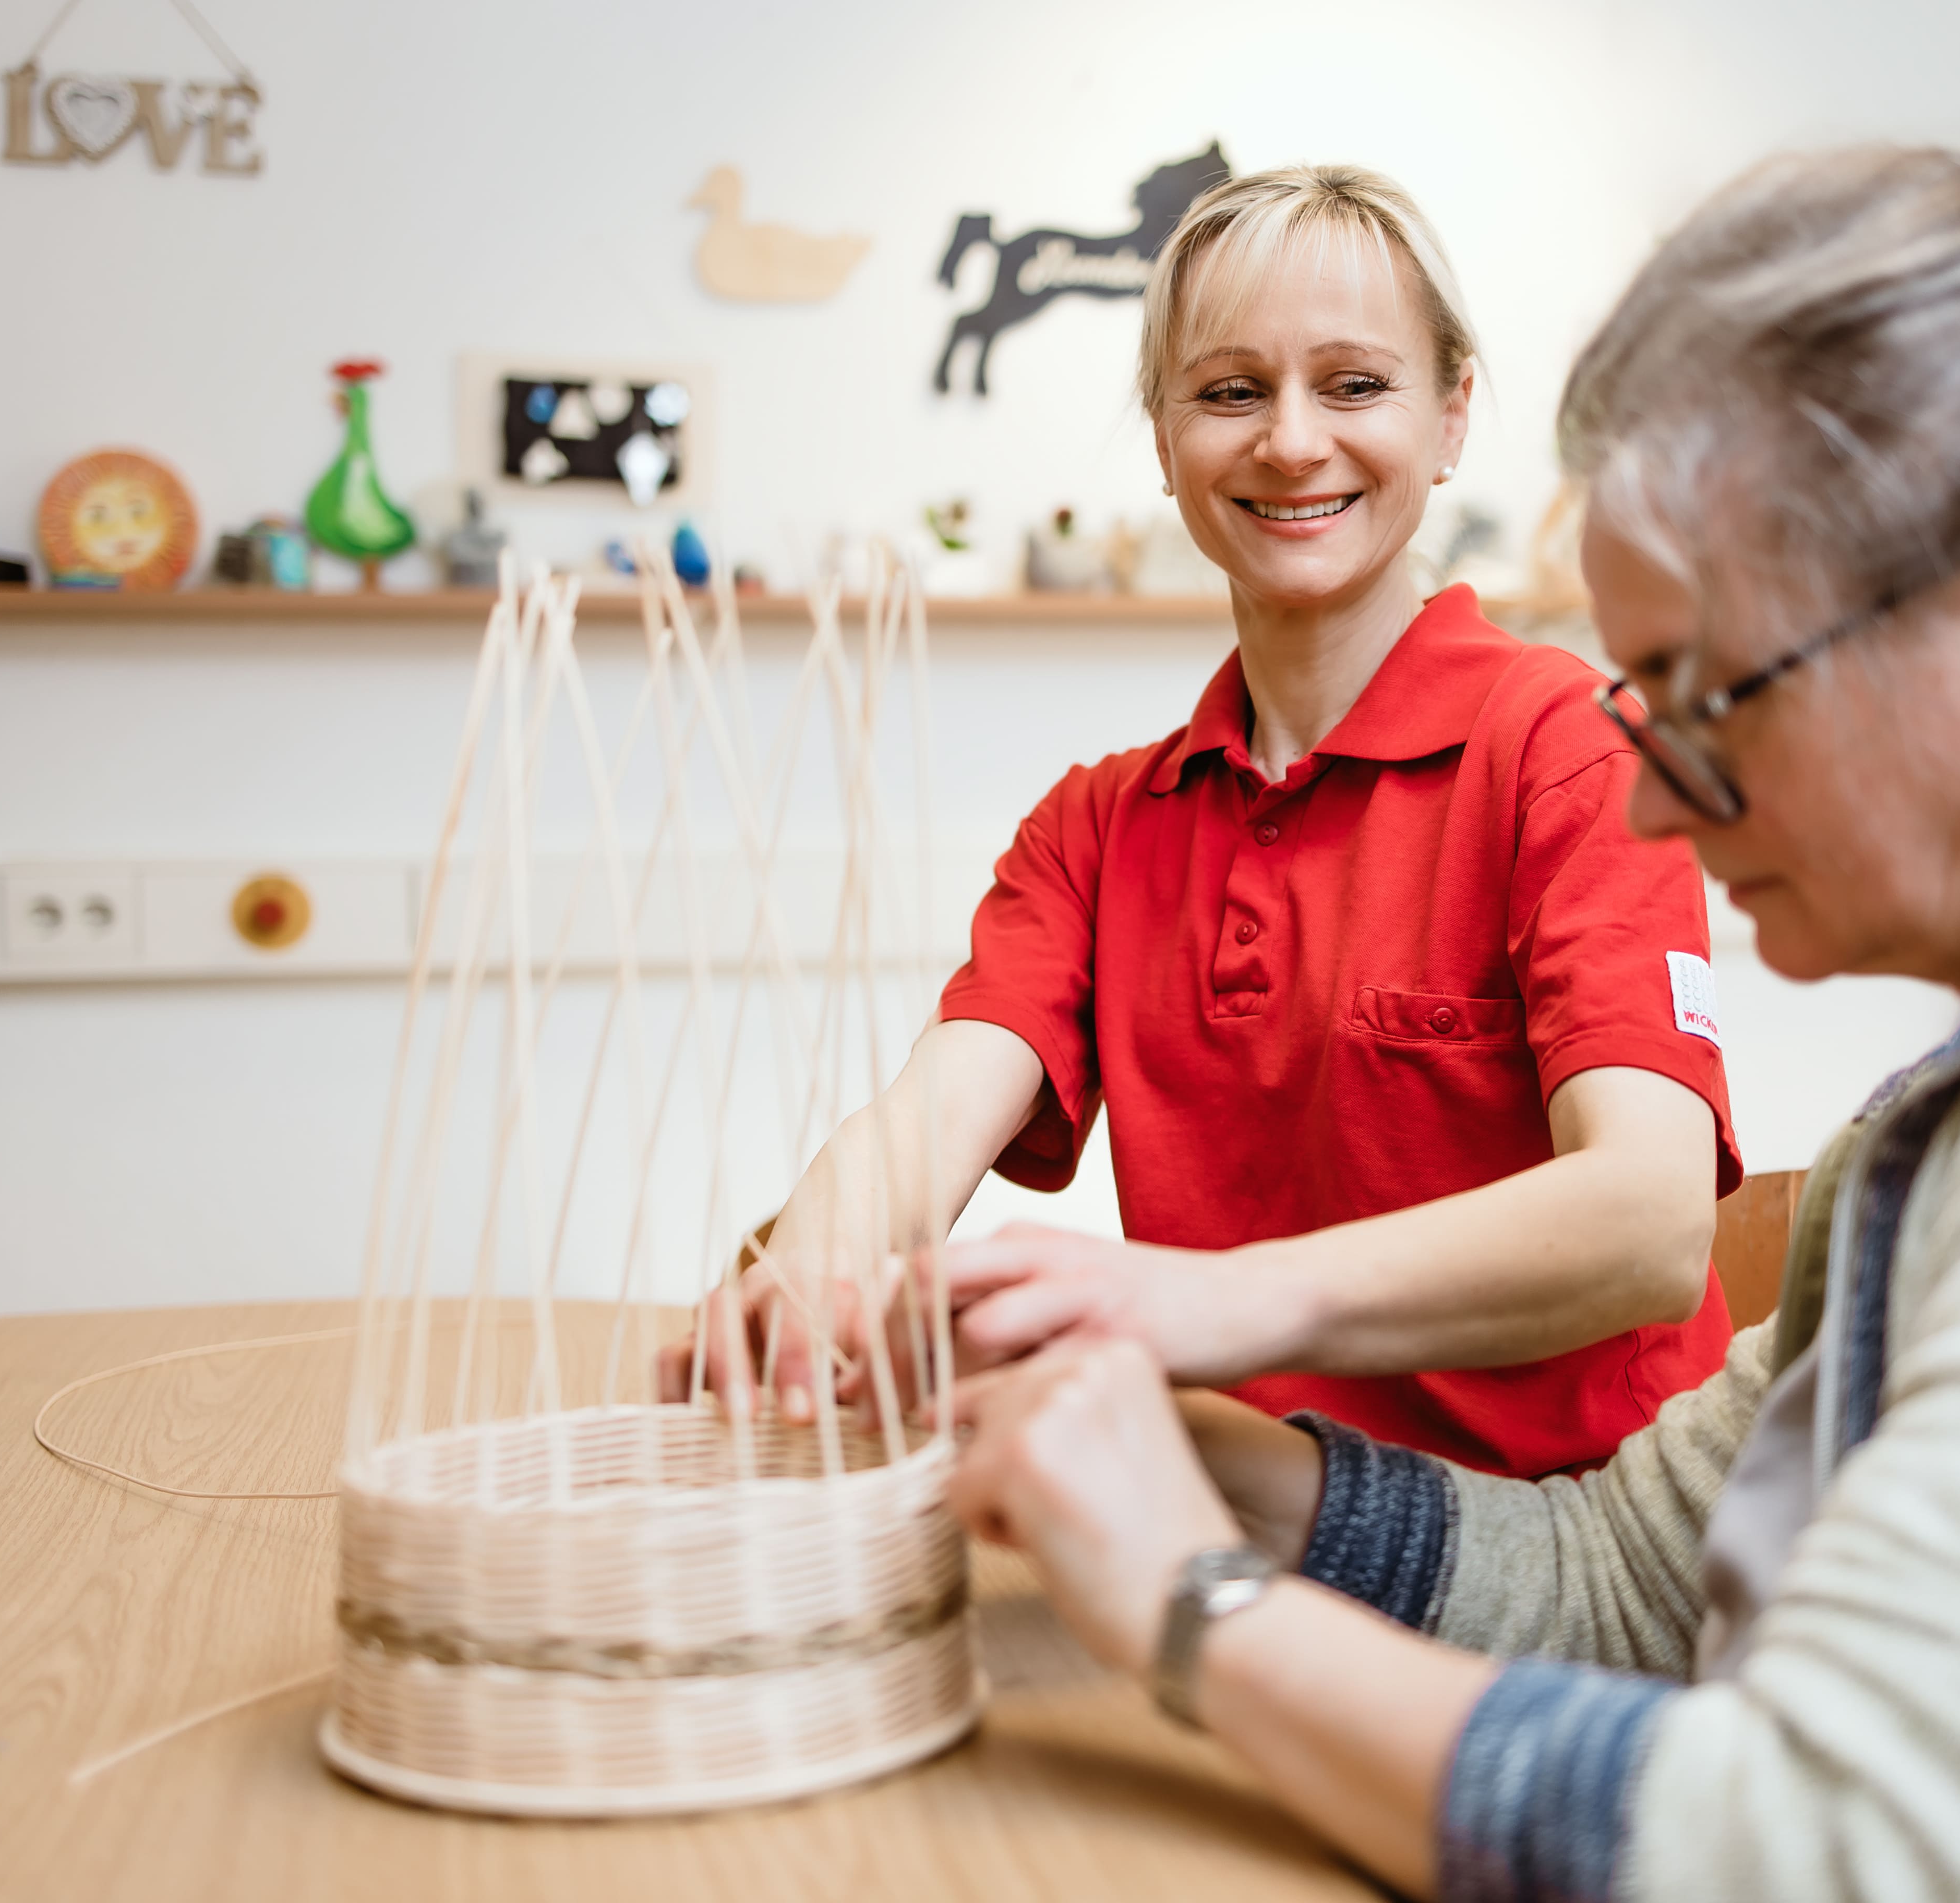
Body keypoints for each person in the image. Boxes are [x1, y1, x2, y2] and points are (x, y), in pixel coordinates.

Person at [946, 115, 1960, 1900]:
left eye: (1709, 693)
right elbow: (1633, 1574)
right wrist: (1232, 1476)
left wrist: (1190, 1597)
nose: (1653, 802)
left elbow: (1843, 1847)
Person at [665, 164, 1744, 1480]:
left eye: (1354, 385)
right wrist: (805, 1270)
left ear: (1453, 417)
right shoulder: (1099, 827)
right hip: (1259, 1518)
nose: (1292, 442)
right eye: (1231, 391)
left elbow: (1648, 1225)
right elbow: (927, 1120)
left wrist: (1187, 1308)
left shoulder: (1568, 750)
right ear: (1167, 440)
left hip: (1587, 1550)